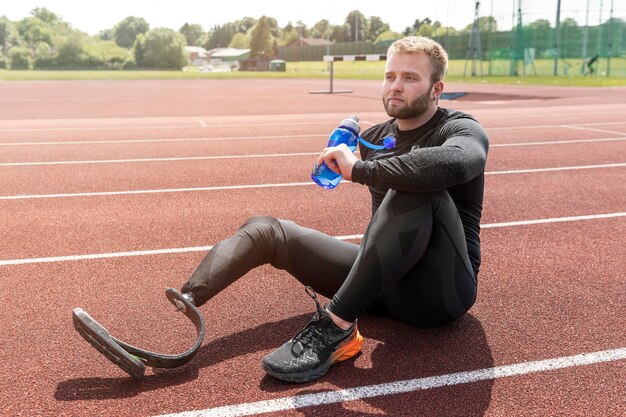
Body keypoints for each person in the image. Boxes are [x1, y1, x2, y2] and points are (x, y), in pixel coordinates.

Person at [181, 36, 489, 383]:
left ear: (437, 89)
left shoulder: (460, 128)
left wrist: (358, 169)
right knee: (270, 231)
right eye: (390, 76)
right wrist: (341, 161)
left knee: (415, 185)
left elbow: (463, 160)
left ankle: (337, 325)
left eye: (410, 78)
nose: (396, 86)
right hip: (385, 283)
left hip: (441, 292)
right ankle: (188, 297)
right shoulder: (374, 137)